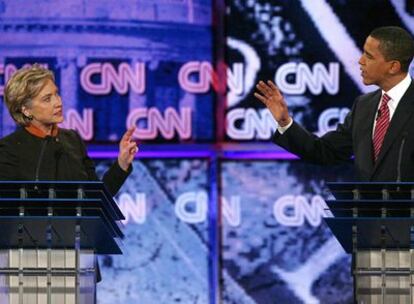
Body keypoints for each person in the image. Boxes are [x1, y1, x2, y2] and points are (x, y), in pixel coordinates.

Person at [255, 26, 414, 182]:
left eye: (369, 56)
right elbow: (325, 151)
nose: (361, 61)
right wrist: (284, 121)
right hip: (368, 208)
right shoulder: (364, 105)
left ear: (393, 66)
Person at [0, 64, 138, 195]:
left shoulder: (72, 140)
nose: (58, 103)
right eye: (47, 99)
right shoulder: (9, 148)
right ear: (26, 110)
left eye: (56, 94)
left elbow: (97, 197)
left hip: (79, 221)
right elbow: (8, 207)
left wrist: (122, 163)